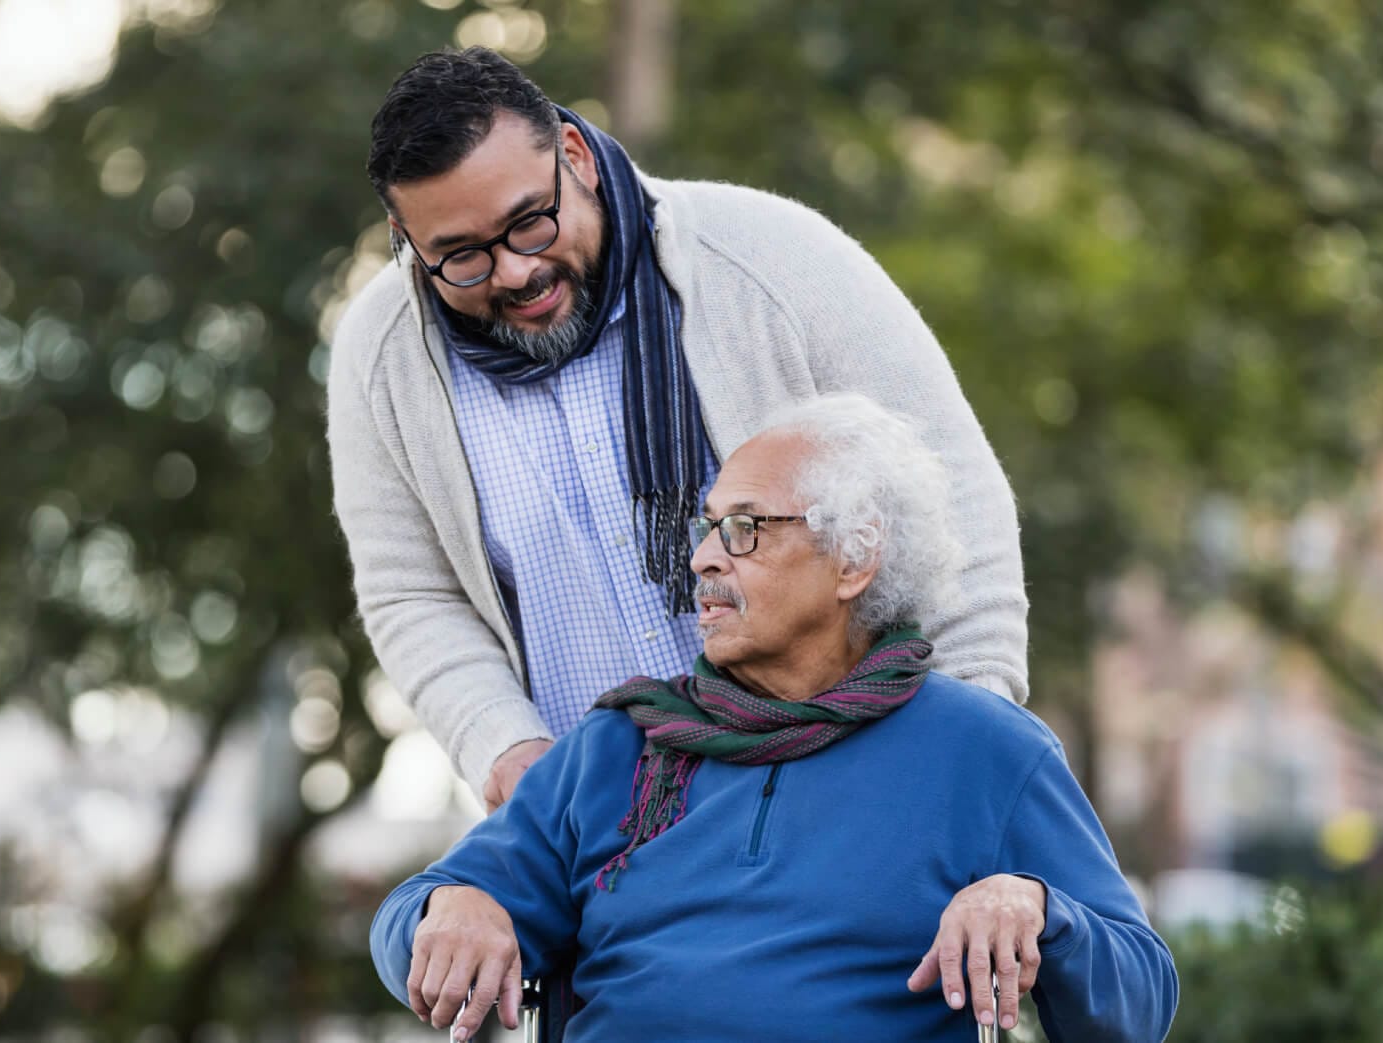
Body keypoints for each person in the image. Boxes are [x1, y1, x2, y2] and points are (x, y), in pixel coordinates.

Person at [327, 47, 1029, 810]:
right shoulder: (381, 356)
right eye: (460, 255)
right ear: (404, 234)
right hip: (608, 843)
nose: (513, 272)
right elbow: (411, 592)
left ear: (574, 155)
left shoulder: (776, 258)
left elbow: (952, 496)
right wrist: (505, 748)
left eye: (530, 222)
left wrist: (968, 749)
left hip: (851, 800)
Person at [369, 394, 1178, 1042]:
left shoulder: (987, 750)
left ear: (856, 558)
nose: (704, 558)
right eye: (708, 526)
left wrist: (1039, 907)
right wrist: (450, 907)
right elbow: (410, 916)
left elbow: (1139, 1003)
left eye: (745, 529)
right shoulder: (620, 745)